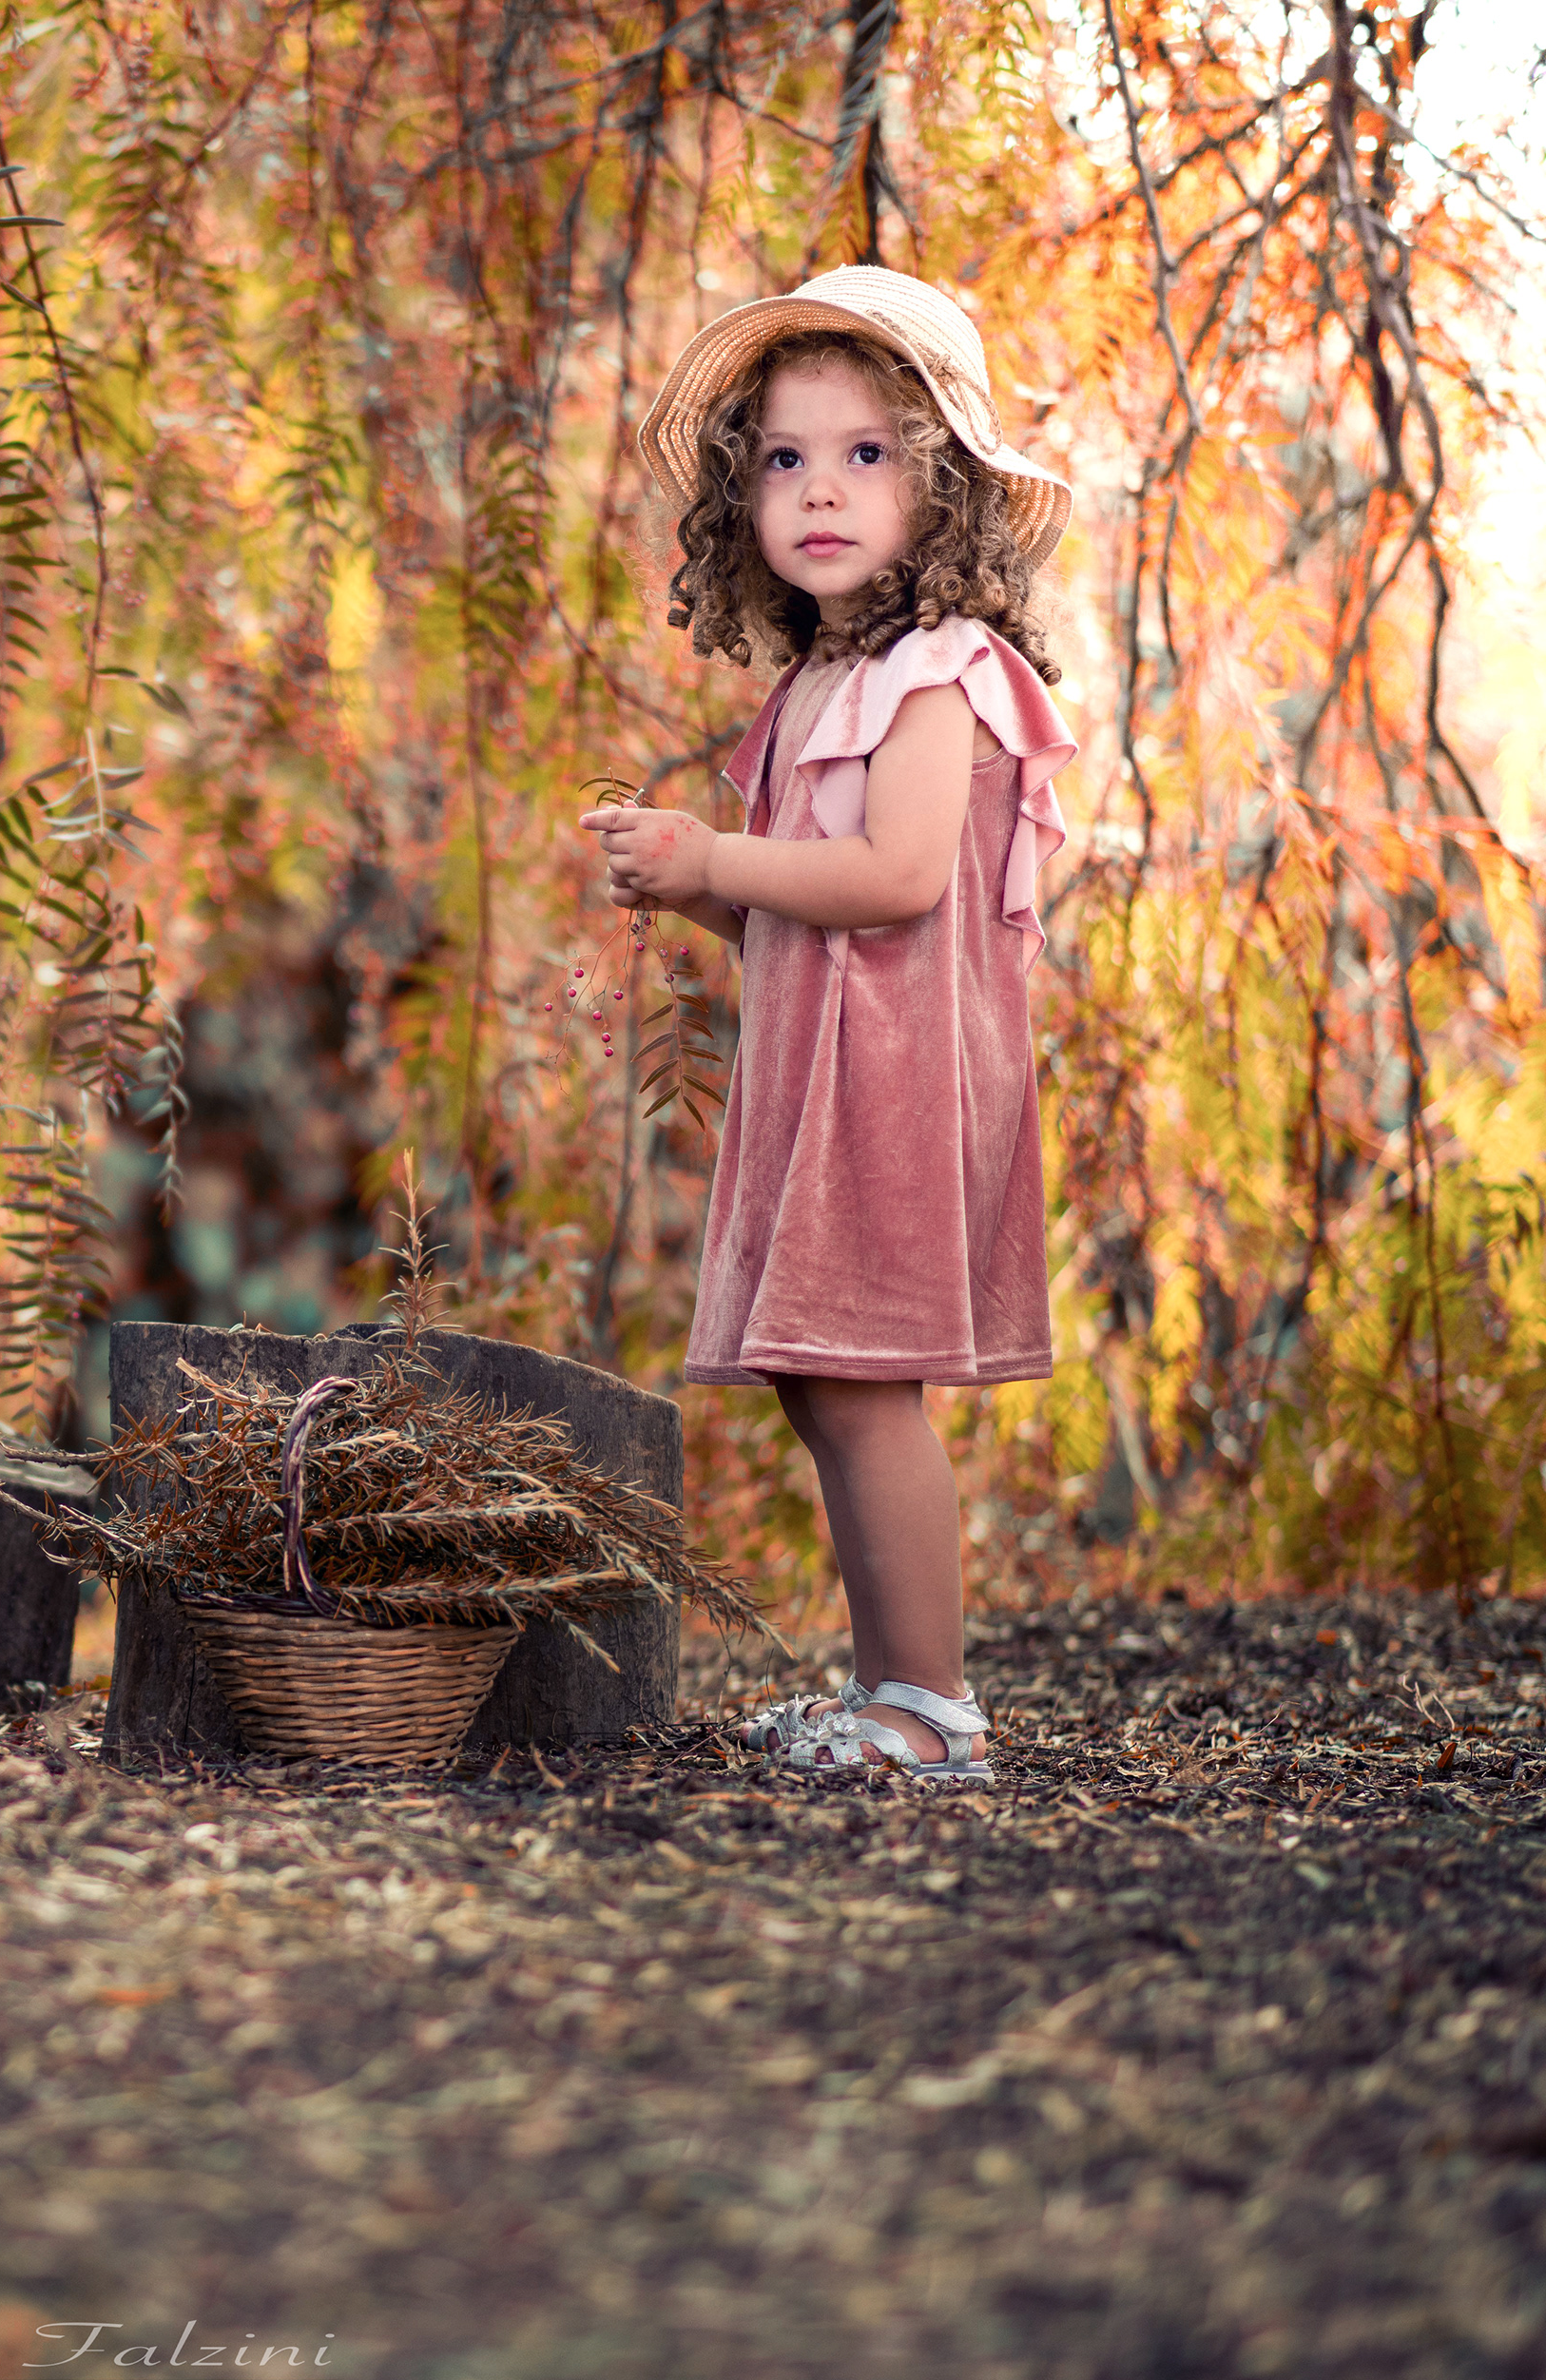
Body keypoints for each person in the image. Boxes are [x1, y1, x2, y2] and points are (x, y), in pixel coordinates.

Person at [583, 267, 1078, 1783]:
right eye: (785, 458)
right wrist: (694, 886)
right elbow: (794, 914)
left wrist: (717, 856)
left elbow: (899, 877)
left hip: (903, 1075)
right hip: (828, 1067)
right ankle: (890, 1693)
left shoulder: (940, 673)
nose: (820, 489)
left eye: (867, 454)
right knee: (825, 1380)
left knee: (866, 1388)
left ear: (942, 490)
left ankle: (932, 1709)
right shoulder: (819, 682)